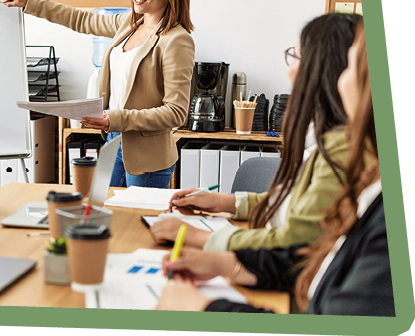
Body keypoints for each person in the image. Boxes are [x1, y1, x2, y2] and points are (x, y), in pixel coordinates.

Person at [156, 24, 393, 316]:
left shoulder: (347, 158)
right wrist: (226, 261)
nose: (344, 79)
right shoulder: (348, 161)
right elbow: (308, 258)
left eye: (355, 63)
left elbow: (300, 242)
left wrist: (207, 306)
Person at [150, 14, 364, 251]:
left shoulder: (341, 147)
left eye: (295, 56)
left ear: (321, 69)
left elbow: (299, 238)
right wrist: (223, 201)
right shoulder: (319, 135)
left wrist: (199, 238)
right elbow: (294, 202)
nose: (290, 70)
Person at [3, 0, 195, 189]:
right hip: (114, 140)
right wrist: (31, 1)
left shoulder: (177, 40)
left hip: (147, 156)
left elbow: (176, 113)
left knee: (133, 223)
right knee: (101, 211)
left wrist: (115, 118)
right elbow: (81, 20)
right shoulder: (129, 23)